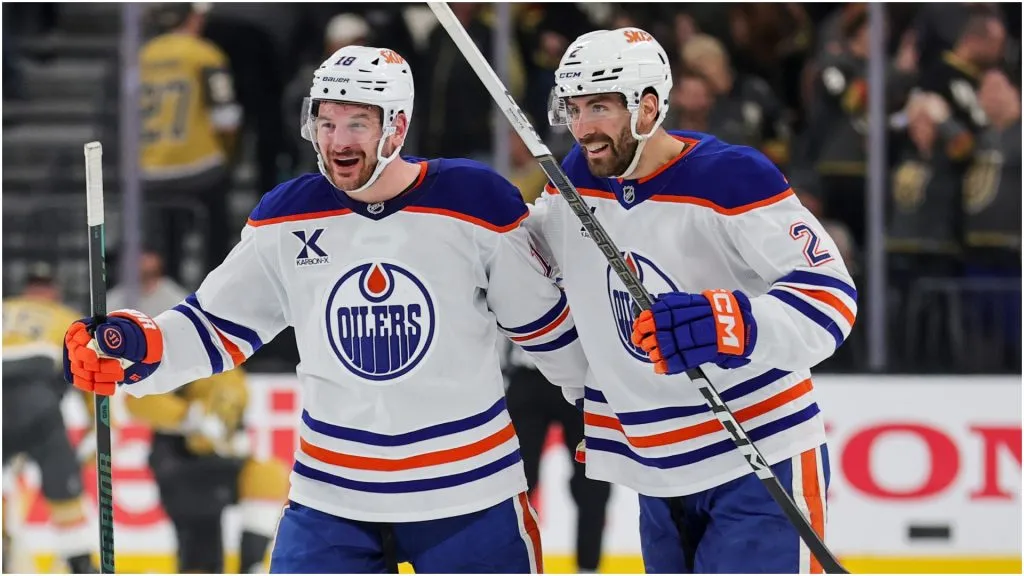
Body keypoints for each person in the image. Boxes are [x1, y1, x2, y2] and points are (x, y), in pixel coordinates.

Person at [64, 45, 589, 574]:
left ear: (397, 126)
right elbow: (213, 326)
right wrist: (135, 347)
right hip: (332, 497)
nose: (337, 140)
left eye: (357, 123)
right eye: (326, 121)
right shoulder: (288, 215)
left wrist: (605, 401)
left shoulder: (474, 201)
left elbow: (544, 326)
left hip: (470, 492)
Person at [528, 28, 857, 573]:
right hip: (658, 468)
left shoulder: (730, 177)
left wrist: (733, 323)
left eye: (601, 107)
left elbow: (830, 298)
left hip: (758, 455)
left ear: (648, 106)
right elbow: (534, 270)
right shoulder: (575, 184)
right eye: (575, 108)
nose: (583, 128)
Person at [2, 263, 97, 574]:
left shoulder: (5, 309)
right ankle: (80, 563)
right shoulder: (64, 316)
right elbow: (89, 368)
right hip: (36, 399)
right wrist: (98, 425)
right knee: (62, 484)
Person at [140, 3, 243, 281]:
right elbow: (226, 117)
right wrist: (230, 154)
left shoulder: (143, 55)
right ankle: (215, 291)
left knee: (165, 243)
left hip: (149, 169)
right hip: (198, 167)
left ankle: (170, 292)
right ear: (194, 18)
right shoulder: (204, 53)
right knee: (215, 239)